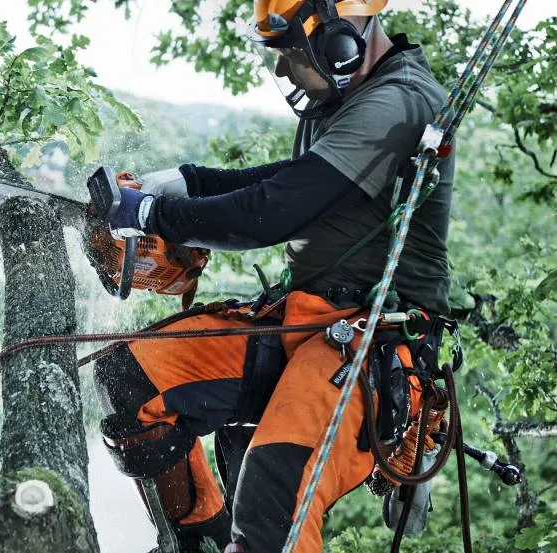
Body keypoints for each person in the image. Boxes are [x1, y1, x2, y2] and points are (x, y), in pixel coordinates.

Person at [93, 0, 455, 551]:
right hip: (304, 319)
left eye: (287, 51)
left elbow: (274, 210)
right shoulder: (341, 99)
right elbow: (295, 178)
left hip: (371, 337)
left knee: (274, 489)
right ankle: (202, 538)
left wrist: (153, 216)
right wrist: (193, 183)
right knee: (131, 379)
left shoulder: (399, 102)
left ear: (338, 39)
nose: (282, 70)